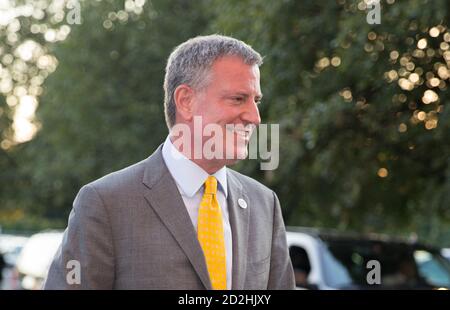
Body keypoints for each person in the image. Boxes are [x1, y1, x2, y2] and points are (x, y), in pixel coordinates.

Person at [44, 34, 295, 290]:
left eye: (256, 101)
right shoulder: (105, 203)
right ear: (186, 101)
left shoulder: (265, 204)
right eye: (238, 99)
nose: (255, 117)